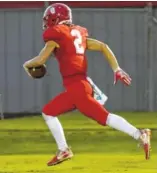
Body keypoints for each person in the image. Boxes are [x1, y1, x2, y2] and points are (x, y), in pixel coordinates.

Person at [23, 3, 151, 166]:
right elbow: (103, 47)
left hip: (77, 88)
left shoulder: (56, 35)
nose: (47, 23)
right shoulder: (78, 34)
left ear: (55, 19)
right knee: (49, 112)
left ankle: (139, 134)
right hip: (82, 85)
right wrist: (116, 69)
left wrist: (26, 64)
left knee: (104, 117)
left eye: (49, 20)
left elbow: (41, 59)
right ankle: (64, 149)